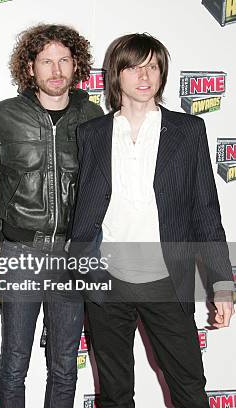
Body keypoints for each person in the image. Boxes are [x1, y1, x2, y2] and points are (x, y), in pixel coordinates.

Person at [70, 33, 234, 408]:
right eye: (134, 67)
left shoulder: (188, 131)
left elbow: (205, 210)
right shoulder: (91, 134)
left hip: (167, 279)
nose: (144, 76)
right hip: (105, 279)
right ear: (116, 74)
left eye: (153, 67)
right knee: (113, 393)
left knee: (189, 386)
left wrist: (221, 282)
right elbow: (86, 210)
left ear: (162, 74)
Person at [0, 24, 104, 407]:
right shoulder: (2, 116)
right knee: (15, 362)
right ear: (30, 67)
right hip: (21, 253)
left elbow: (101, 185)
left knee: (65, 365)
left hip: (72, 255)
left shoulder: (93, 115)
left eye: (64, 60)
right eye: (46, 61)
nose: (56, 70)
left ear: (76, 65)